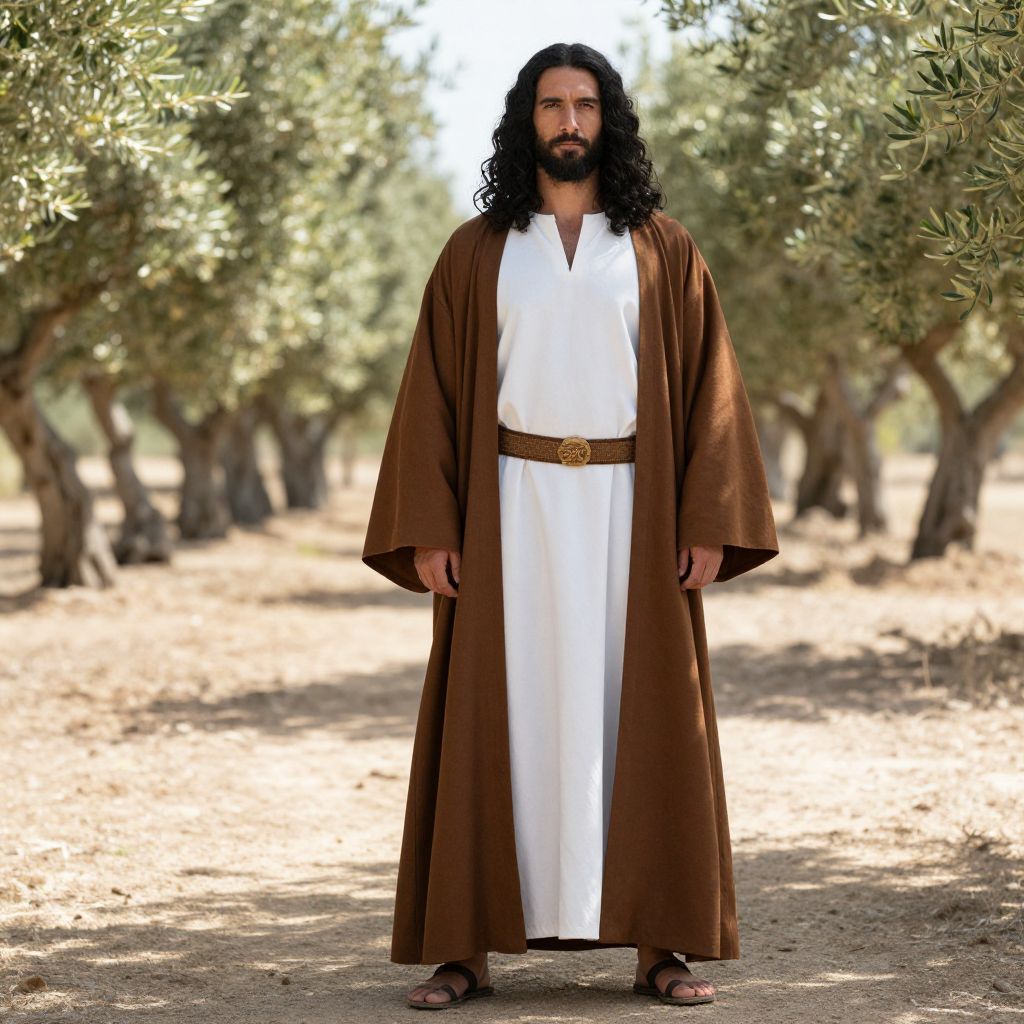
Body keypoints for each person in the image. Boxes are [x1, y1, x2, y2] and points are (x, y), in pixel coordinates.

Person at [362, 42, 779, 1011]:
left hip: (634, 511)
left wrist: (707, 518)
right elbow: (430, 395)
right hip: (508, 508)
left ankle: (660, 946)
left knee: (644, 717)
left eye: (584, 105)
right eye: (551, 105)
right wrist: (432, 526)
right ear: (527, 121)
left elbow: (711, 389)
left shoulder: (662, 249)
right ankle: (464, 948)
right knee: (493, 719)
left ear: (608, 120)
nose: (568, 122)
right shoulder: (477, 252)